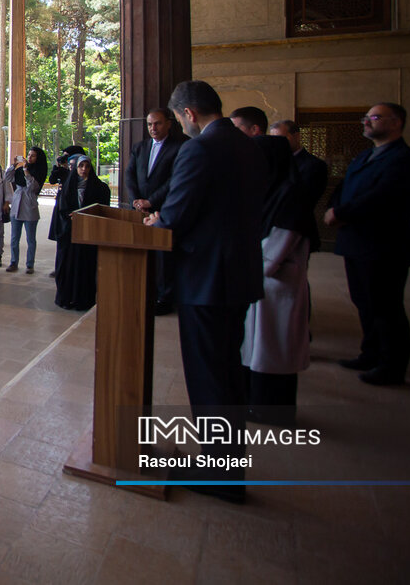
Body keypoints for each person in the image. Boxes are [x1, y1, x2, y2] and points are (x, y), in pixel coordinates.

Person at [144, 80, 266, 500]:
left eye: (180, 119)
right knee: (228, 373)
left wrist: (158, 222)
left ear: (189, 114)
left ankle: (220, 475)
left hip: (208, 279)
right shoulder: (249, 146)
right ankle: (227, 464)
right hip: (239, 273)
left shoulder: (200, 149)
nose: (183, 126)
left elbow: (176, 215)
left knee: (210, 376)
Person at [324, 102, 410, 386]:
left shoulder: (405, 160)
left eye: (375, 117)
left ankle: (391, 366)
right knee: (364, 302)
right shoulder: (365, 155)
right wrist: (334, 208)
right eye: (365, 118)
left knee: (386, 307)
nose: (366, 122)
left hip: (384, 244)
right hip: (357, 241)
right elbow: (342, 187)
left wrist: (342, 213)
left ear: (396, 122)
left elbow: (383, 196)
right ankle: (371, 353)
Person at [242, 136, 310, 425]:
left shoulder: (291, 195)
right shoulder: (267, 190)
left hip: (278, 285)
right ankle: (255, 403)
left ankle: (274, 411)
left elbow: (276, 249)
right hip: (257, 281)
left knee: (275, 350)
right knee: (258, 348)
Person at [125, 109, 188, 314]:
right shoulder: (140, 147)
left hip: (163, 210)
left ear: (168, 124)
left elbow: (174, 180)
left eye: (158, 123)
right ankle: (145, 292)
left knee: (163, 258)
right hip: (140, 210)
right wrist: (136, 200)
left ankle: (164, 298)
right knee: (142, 253)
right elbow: (130, 174)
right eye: (150, 124)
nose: (153, 128)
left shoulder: (179, 147)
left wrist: (151, 201)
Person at [55, 157, 111, 310]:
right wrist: (71, 217)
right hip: (70, 233)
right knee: (67, 267)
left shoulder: (99, 187)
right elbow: (62, 209)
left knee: (85, 268)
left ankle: (83, 300)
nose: (84, 169)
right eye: (81, 166)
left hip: (88, 234)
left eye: (87, 166)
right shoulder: (68, 186)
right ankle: (66, 298)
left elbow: (102, 208)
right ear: (76, 168)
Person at [269, 119, 328, 252]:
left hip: (296, 228)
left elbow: (304, 200)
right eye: (273, 140)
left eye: (281, 139)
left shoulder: (313, 165)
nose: (277, 144)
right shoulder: (273, 163)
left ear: (296, 136)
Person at [6, 147, 48, 274]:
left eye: (33, 155)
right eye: (28, 155)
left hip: (29, 206)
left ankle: (30, 264)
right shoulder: (19, 170)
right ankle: (13, 262)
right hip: (17, 204)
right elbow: (8, 178)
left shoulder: (38, 171)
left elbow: (33, 187)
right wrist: (14, 165)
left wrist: (26, 171)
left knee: (30, 239)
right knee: (14, 238)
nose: (29, 157)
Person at [47, 147, 87, 279]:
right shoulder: (64, 171)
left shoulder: (80, 175)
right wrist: (58, 167)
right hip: (62, 211)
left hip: (77, 215)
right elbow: (52, 180)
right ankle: (60, 267)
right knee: (62, 241)